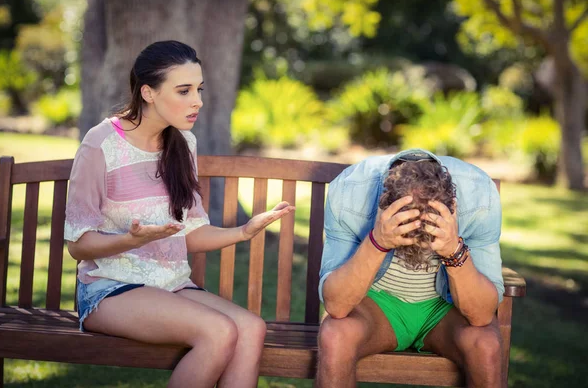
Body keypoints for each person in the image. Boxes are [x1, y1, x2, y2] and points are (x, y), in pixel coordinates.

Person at [64, 40, 294, 388]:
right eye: (184, 90)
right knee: (217, 331)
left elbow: (192, 233)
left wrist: (243, 231)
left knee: (251, 328)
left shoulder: (183, 143)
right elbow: (78, 245)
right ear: (148, 92)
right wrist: (129, 240)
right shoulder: (101, 145)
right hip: (109, 289)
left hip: (170, 286)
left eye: (198, 89)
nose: (197, 100)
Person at [316, 148, 504, 388]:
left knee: (486, 344)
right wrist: (378, 241)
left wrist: (452, 249)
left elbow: (482, 315)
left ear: (452, 205)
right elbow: (337, 305)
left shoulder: (480, 195)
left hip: (444, 309)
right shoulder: (349, 190)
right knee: (335, 335)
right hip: (377, 306)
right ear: (384, 203)